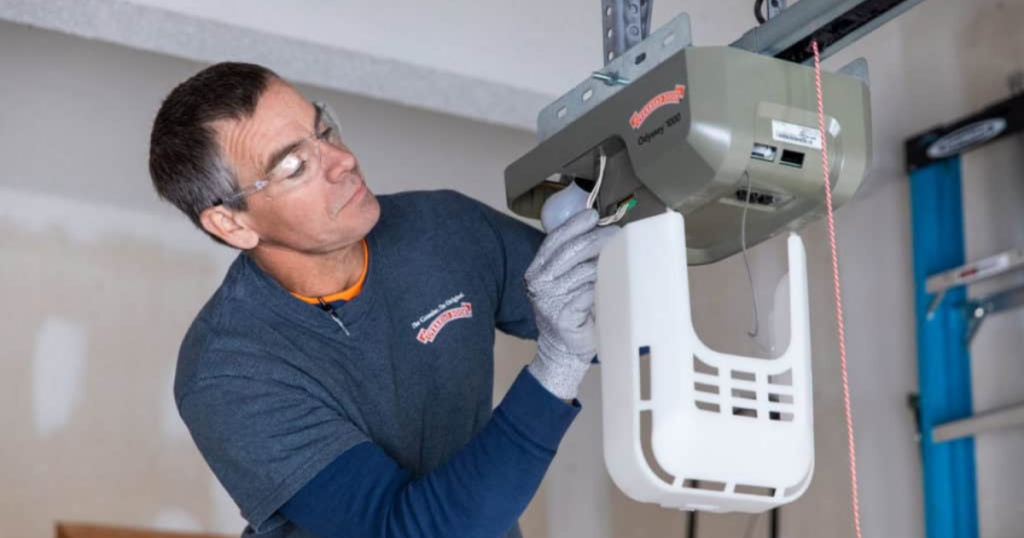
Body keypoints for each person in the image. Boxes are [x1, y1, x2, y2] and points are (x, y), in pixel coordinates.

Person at [148, 62, 618, 538]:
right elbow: (409, 531)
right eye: (293, 166)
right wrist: (559, 362)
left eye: (324, 129)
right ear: (232, 224)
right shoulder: (227, 371)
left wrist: (623, 221)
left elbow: (624, 325)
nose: (341, 160)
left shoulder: (443, 230)